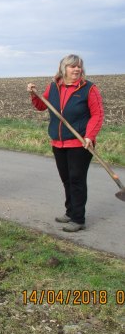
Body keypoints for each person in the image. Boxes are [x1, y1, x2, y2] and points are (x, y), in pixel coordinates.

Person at [27, 54, 104, 232]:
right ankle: (70, 212)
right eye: (72, 66)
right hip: (58, 143)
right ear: (64, 68)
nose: (77, 69)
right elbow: (41, 105)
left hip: (80, 143)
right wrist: (33, 94)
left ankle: (78, 219)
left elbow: (97, 115)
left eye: (79, 66)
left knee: (77, 180)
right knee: (66, 179)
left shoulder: (89, 89)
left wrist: (89, 136)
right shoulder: (54, 87)